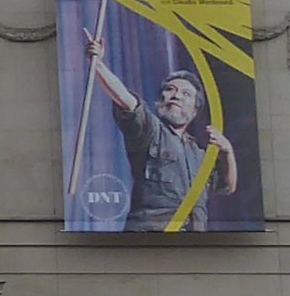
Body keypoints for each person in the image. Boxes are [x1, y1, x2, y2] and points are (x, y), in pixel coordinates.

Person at [81, 22, 240, 231]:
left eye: (186, 94)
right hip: (149, 236)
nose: (176, 95)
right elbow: (125, 99)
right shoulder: (150, 130)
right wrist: (98, 63)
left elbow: (227, 186)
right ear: (161, 98)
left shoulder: (200, 154)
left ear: (194, 111)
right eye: (171, 89)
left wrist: (227, 151)